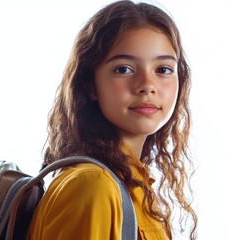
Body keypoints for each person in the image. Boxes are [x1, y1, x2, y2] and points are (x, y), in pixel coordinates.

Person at [28, 0, 197, 239]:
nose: (147, 85)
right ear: (90, 85)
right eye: (123, 69)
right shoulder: (94, 186)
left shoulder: (130, 183)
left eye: (163, 70)